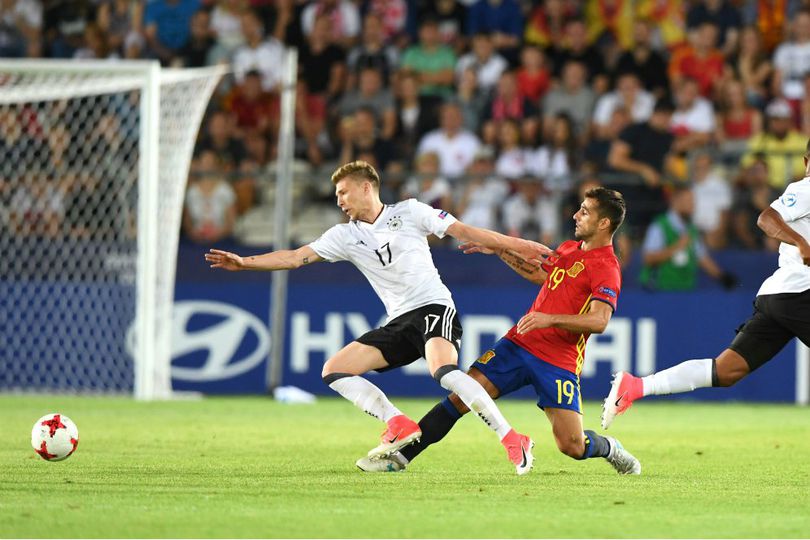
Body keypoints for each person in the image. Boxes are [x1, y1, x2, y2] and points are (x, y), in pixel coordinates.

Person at [205, 160, 554, 475]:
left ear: (365, 187)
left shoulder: (412, 212)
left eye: (343, 192)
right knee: (334, 370)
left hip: (434, 308)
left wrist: (516, 244)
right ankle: (397, 422)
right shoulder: (344, 235)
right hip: (398, 322)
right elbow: (295, 257)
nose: (339, 200)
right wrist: (244, 263)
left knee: (444, 372)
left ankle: (511, 437)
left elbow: (465, 232)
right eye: (336, 194)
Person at [356, 188, 642, 476]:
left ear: (604, 223)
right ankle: (401, 457)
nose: (575, 215)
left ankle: (609, 448)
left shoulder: (607, 267)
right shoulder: (569, 248)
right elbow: (541, 276)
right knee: (462, 396)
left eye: (585, 211)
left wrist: (549, 319)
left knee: (572, 446)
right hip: (518, 344)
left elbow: (599, 320)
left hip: (558, 362)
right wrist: (500, 251)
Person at [603, 140, 810, 430]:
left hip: (781, 296)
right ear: (806, 161)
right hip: (798, 293)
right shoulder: (805, 189)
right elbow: (766, 219)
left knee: (725, 370)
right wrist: (801, 242)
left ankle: (636, 386)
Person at [639, 186, 737, 291]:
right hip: (660, 291)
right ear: (675, 201)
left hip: (685, 291)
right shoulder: (659, 226)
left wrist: (722, 277)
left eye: (693, 201)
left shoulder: (691, 229)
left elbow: (701, 258)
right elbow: (648, 258)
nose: (692, 205)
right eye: (688, 201)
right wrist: (677, 247)